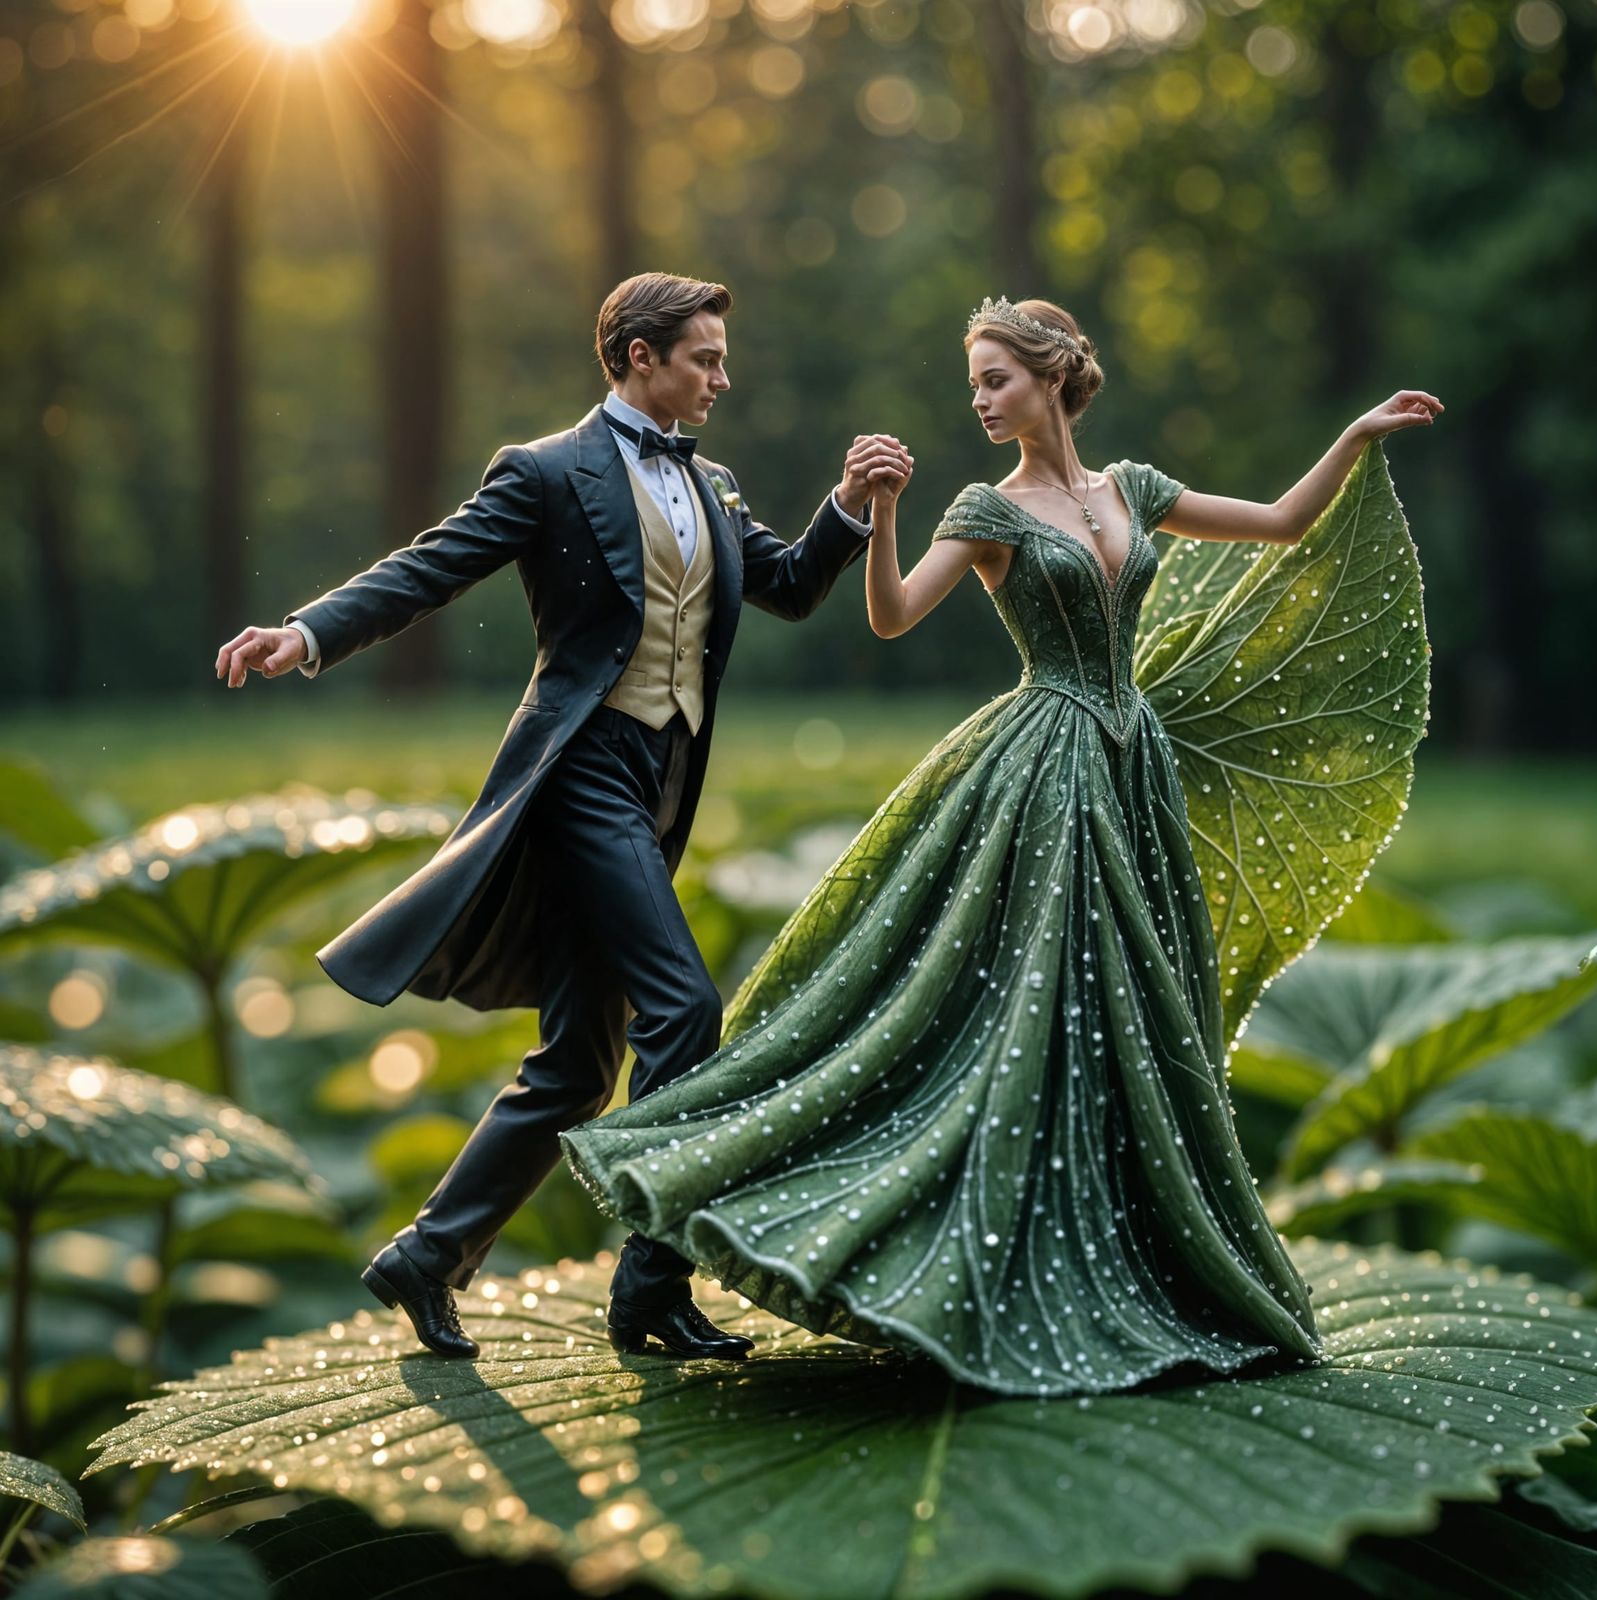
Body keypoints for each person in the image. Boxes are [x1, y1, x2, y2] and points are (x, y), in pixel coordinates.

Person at [559, 294, 1443, 1395]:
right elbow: (889, 615)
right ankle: (959, 1260)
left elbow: (1277, 523)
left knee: (1136, 1013)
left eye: (994, 379)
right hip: (1047, 766)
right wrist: (882, 513)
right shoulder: (987, 507)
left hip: (1135, 764)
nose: (978, 400)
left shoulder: (1132, 490)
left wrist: (1354, 436)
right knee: (1026, 1010)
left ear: (1052, 372)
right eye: (972, 383)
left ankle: (1139, 1253)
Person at [214, 271, 914, 1363]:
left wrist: (847, 506)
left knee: (581, 1066)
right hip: (581, 767)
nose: (723, 376)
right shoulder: (546, 472)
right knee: (684, 1013)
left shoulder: (714, 483)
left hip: (658, 779)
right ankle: (650, 1286)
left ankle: (429, 1255)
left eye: (723, 358)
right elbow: (428, 570)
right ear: (638, 356)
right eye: (704, 358)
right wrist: (302, 634)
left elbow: (783, 584)